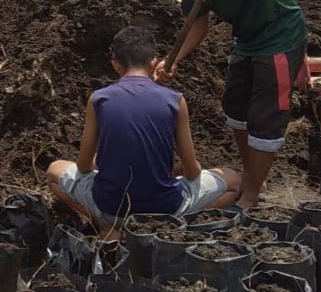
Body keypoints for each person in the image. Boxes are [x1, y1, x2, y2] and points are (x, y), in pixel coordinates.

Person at [155, 0, 308, 209]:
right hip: (247, 41)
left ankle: (250, 196)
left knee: (266, 116)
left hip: (280, 36)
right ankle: (252, 179)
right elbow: (197, 22)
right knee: (236, 109)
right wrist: (173, 60)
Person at [46, 26, 240, 234]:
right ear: (154, 62)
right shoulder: (175, 101)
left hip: (110, 207)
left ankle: (104, 224)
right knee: (232, 181)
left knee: (54, 171)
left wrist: (99, 162)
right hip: (165, 209)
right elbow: (192, 172)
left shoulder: (98, 99)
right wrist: (184, 168)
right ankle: (170, 228)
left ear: (115, 65)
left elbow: (83, 167)